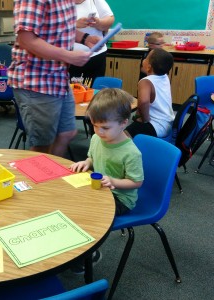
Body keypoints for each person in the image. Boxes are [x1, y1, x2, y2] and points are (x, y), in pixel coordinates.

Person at [8, 0, 101, 157]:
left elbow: (61, 28)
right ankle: (41, 178)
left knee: (67, 133)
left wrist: (85, 38)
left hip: (58, 78)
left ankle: (51, 172)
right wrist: (69, 56)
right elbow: (26, 39)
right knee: (42, 145)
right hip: (36, 80)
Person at [69, 88, 144, 273]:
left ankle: (89, 255)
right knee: (69, 201)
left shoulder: (131, 152)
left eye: (105, 127)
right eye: (95, 125)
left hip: (121, 198)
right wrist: (86, 162)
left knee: (88, 216)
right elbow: (93, 158)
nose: (99, 132)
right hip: (101, 188)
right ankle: (71, 249)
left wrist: (113, 181)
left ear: (124, 123)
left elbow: (137, 182)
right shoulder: (96, 138)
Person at [126, 48, 175, 138]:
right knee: (135, 123)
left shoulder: (145, 82)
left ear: (149, 67)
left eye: (146, 58)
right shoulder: (164, 76)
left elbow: (143, 102)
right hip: (168, 123)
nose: (143, 60)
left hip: (156, 126)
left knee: (124, 135)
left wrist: (145, 120)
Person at [69, 0, 115, 83]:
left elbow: (110, 19)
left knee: (94, 90)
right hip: (69, 57)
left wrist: (98, 23)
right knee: (73, 90)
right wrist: (75, 24)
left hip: (96, 55)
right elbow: (54, 28)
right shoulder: (59, 3)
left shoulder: (95, 1)